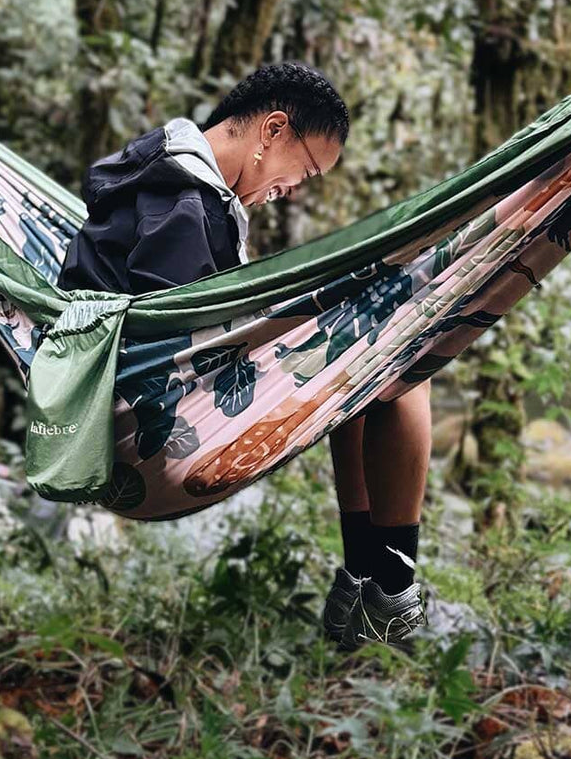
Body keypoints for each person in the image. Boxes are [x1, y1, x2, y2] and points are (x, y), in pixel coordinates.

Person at [57, 61, 432, 650]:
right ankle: (393, 585)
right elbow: (179, 336)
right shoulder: (184, 203)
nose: (294, 189)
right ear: (273, 131)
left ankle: (363, 580)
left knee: (367, 364)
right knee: (401, 367)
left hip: (123, 403)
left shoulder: (163, 177)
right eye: (305, 170)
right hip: (148, 431)